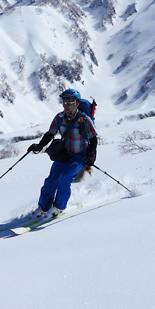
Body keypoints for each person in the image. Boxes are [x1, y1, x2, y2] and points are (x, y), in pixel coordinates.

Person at [27, 88, 97, 218]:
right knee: (51, 180)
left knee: (64, 178)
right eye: (64, 102)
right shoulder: (59, 117)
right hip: (64, 155)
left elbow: (93, 139)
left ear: (76, 103)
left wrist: (91, 155)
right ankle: (43, 207)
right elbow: (50, 134)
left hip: (79, 157)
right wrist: (40, 145)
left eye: (69, 102)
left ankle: (59, 207)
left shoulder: (84, 119)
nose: (66, 105)